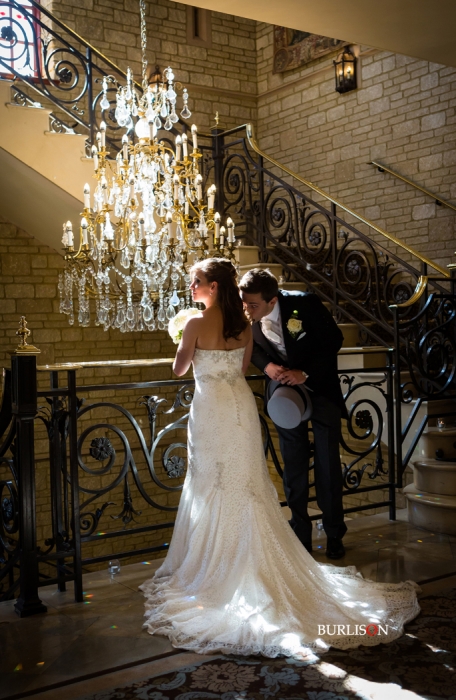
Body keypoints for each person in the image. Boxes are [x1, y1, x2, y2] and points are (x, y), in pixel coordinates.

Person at [140, 257, 420, 659]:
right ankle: (291, 541)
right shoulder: (245, 326)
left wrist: (185, 336)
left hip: (233, 407)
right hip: (241, 408)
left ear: (214, 287)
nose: (191, 287)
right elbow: (243, 364)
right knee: (255, 479)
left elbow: (181, 366)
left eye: (196, 280)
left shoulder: (204, 323)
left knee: (228, 480)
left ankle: (320, 536)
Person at [239, 268, 346, 559]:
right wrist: (267, 368)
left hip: (320, 389)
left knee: (327, 465)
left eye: (253, 305)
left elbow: (333, 340)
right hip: (285, 397)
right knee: (293, 465)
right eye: (244, 302)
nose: (246, 310)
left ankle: (335, 533)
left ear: (273, 301)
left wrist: (305, 372)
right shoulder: (246, 312)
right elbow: (250, 347)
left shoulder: (305, 303)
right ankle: (301, 534)